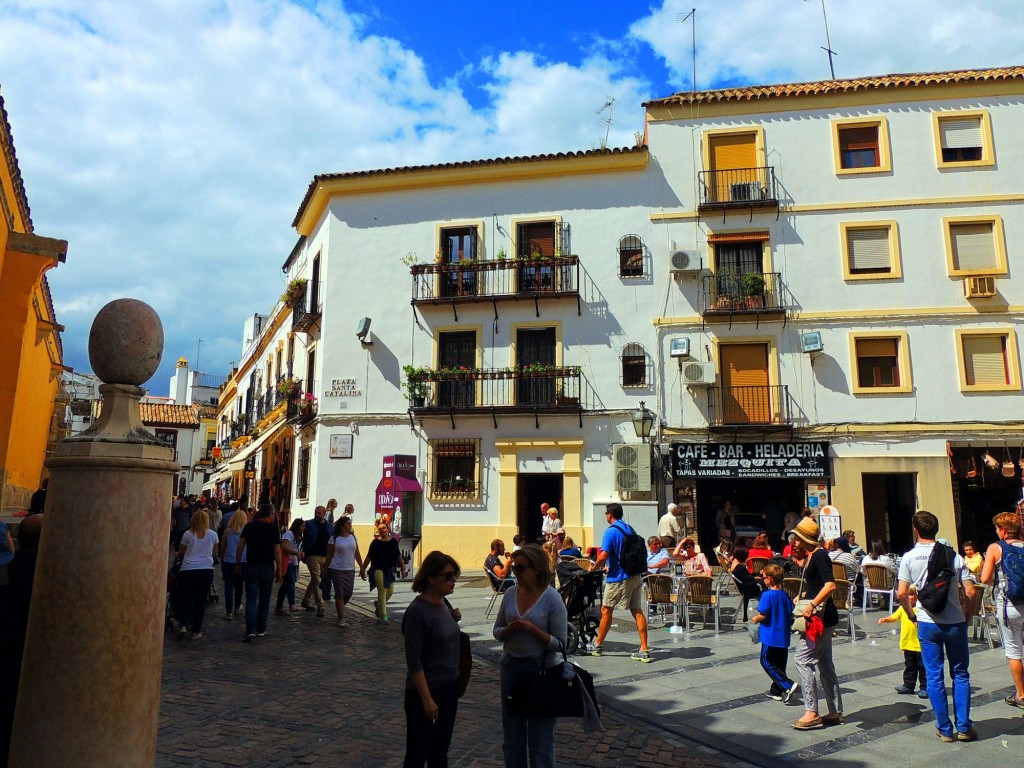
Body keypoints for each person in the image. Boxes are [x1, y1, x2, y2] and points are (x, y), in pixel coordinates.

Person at [897, 510, 977, 742]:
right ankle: (964, 726)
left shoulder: (909, 557)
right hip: (954, 622)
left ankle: (944, 729)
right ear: (936, 529)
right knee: (960, 674)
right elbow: (971, 591)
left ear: (915, 530)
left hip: (927, 622)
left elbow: (902, 593)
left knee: (934, 676)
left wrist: (911, 614)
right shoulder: (954, 556)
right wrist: (968, 613)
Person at [493, 544, 568, 768]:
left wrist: (532, 630)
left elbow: (561, 644)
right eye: (514, 568)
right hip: (511, 669)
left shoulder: (552, 599)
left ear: (536, 569)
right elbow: (497, 631)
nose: (515, 573)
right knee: (512, 739)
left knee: (541, 741)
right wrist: (509, 631)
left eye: (520, 568)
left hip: (542, 671)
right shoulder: (509, 594)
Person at [402, 551, 463, 768]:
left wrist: (452, 618)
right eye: (448, 576)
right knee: (418, 754)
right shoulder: (417, 611)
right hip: (426, 692)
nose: (453, 580)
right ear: (431, 578)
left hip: (449, 688)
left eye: (454, 575)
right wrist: (427, 699)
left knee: (439, 752)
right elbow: (414, 658)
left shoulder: (444, 604)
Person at [790, 517, 843, 730]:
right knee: (825, 663)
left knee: (802, 660)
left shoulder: (820, 555)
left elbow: (830, 585)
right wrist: (803, 595)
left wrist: (812, 603)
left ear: (804, 539)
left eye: (797, 537)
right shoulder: (812, 556)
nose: (793, 541)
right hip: (822, 617)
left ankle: (812, 711)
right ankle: (834, 710)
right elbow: (818, 584)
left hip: (819, 619)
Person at [590, 503, 650, 662]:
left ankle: (597, 645)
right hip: (635, 575)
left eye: (606, 514)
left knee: (606, 610)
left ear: (610, 514)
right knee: (637, 611)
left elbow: (603, 556)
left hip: (618, 578)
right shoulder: (630, 528)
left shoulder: (610, 532)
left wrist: (594, 567)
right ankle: (644, 649)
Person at [979, 511, 1024, 710]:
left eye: (997, 529)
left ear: (1003, 530)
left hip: (1010, 605)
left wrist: (999, 581)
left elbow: (984, 578)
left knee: (1014, 651)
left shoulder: (995, 548)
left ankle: (1021, 694)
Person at [752, 564, 797, 703]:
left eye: (763, 577)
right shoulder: (785, 595)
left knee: (766, 661)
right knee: (779, 664)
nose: (762, 579)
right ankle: (776, 690)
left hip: (770, 636)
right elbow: (791, 613)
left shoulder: (767, 595)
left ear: (770, 579)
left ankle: (787, 684)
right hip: (783, 636)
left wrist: (754, 619)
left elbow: (763, 615)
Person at [237, 502, 282, 641]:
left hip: (251, 565)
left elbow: (241, 545)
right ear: (270, 514)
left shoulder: (249, 526)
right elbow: (277, 551)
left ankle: (250, 629)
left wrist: (238, 563)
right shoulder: (273, 530)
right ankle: (261, 628)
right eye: (274, 514)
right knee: (264, 598)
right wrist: (279, 569)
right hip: (267, 566)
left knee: (251, 598)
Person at [174, 509, 219, 640]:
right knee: (200, 601)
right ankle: (196, 630)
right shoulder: (213, 535)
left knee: (185, 599)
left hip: (188, 569)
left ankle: (183, 624)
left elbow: (181, 553)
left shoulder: (188, 534)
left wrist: (179, 554)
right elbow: (215, 553)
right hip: (205, 570)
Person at [878, 587, 928, 698]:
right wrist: (886, 619)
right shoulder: (903, 608)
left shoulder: (921, 610)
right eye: (906, 596)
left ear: (917, 597)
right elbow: (895, 617)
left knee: (923, 668)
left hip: (920, 645)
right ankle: (908, 685)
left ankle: (924, 687)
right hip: (907, 644)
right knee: (909, 667)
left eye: (911, 595)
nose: (908, 598)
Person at [325, 516, 365, 627]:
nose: (350, 525)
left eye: (350, 524)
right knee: (340, 593)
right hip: (336, 568)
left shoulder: (353, 537)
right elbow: (329, 555)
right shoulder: (334, 539)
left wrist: (361, 568)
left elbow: (357, 553)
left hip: (350, 569)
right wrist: (325, 569)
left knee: (348, 592)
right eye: (348, 524)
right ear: (342, 526)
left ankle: (339, 606)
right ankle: (342, 617)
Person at [362, 519, 404, 623]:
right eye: (380, 529)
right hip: (377, 569)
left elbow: (398, 556)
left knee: (390, 591)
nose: (382, 530)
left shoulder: (393, 542)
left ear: (388, 529)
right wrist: (362, 569)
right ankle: (383, 616)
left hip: (389, 569)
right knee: (382, 590)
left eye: (384, 528)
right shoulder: (375, 543)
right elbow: (369, 557)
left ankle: (379, 604)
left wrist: (403, 568)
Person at [300, 505, 330, 617]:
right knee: (316, 579)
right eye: (316, 512)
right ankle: (320, 605)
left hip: (325, 557)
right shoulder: (308, 524)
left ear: (324, 514)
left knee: (315, 579)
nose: (317, 514)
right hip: (312, 556)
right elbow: (298, 532)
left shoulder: (329, 526)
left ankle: (305, 601)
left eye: (319, 513)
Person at [219, 508, 247, 619]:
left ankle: (229, 611)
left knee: (229, 586)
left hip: (228, 560)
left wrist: (222, 557)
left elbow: (223, 545)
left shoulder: (228, 531)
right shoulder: (246, 531)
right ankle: (237, 605)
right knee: (239, 585)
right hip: (242, 561)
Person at [275, 518, 304, 615]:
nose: (304, 528)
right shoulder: (289, 534)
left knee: (285, 585)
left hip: (293, 561)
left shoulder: (299, 536)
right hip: (287, 561)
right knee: (290, 581)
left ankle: (279, 607)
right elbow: (284, 546)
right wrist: (296, 552)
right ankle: (292, 604)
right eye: (302, 526)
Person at [728, 546, 762, 621]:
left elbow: (746, 577)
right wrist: (759, 577)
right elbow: (749, 580)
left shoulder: (734, 564)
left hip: (744, 588)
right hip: (748, 590)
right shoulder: (739, 567)